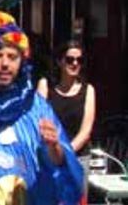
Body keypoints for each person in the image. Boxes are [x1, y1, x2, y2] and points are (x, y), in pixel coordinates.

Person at [0, 11, 83, 204]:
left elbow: (64, 172)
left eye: (12, 56)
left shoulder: (36, 107)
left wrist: (54, 148)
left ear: (22, 61)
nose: (5, 63)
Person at [37, 40, 95, 200]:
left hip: (79, 157)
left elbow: (86, 131)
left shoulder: (88, 90)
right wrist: (55, 151)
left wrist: (66, 152)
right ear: (59, 61)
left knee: (76, 199)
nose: (75, 63)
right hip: (49, 155)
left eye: (79, 60)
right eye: (70, 59)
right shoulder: (45, 85)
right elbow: (41, 121)